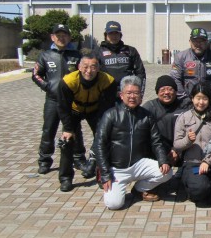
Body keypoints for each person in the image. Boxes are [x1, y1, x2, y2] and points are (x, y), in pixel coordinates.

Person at [95, 76, 173, 210]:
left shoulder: (147, 116)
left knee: (167, 172)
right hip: (117, 168)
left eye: (136, 93)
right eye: (129, 93)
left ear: (141, 96)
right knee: (114, 204)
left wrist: (162, 160)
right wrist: (105, 173)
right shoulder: (110, 115)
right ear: (121, 95)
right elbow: (99, 144)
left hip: (138, 164)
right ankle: (115, 187)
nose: (132, 96)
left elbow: (156, 141)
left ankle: (139, 189)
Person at [57, 52, 117, 192]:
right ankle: (65, 178)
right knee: (66, 142)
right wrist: (67, 128)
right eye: (85, 67)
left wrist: (101, 132)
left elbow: (107, 107)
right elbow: (62, 106)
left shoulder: (108, 81)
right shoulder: (68, 81)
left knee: (105, 139)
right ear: (79, 67)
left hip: (95, 109)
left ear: (99, 68)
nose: (89, 71)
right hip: (74, 110)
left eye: (93, 67)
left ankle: (101, 174)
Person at [32, 24, 86, 175]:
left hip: (72, 102)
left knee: (74, 130)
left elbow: (84, 74)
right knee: (49, 130)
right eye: (58, 35)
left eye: (64, 35)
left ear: (69, 37)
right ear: (52, 37)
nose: (61, 38)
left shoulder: (76, 55)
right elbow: (36, 75)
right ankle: (45, 160)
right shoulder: (45, 55)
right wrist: (47, 86)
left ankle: (78, 158)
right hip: (53, 100)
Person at [173, 83, 211, 207]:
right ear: (192, 98)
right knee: (200, 190)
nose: (201, 102)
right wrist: (188, 140)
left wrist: (208, 161)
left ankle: (210, 186)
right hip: (192, 164)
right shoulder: (184, 118)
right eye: (198, 98)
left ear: (209, 100)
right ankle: (192, 187)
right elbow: (177, 145)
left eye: (204, 98)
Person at [170, 27, 211, 110]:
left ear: (207, 42)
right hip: (186, 101)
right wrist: (185, 99)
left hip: (209, 101)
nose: (198, 44)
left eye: (202, 41)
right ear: (190, 42)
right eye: (195, 41)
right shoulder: (180, 57)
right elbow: (175, 79)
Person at [142, 75, 185, 168]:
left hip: (182, 147)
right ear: (157, 92)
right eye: (162, 90)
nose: (166, 92)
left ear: (176, 91)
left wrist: (178, 149)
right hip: (158, 149)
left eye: (170, 89)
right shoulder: (149, 107)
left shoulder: (184, 106)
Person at [97, 20, 146, 95]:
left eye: (116, 33)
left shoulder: (131, 51)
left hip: (127, 92)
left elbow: (140, 73)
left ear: (120, 35)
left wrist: (140, 93)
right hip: (106, 93)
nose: (114, 36)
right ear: (106, 35)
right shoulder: (98, 52)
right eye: (111, 33)